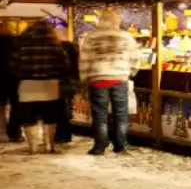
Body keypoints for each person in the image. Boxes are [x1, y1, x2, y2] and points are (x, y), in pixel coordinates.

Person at [79, 9, 140, 155]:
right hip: (119, 78)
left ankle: (100, 145)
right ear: (117, 21)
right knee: (121, 113)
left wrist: (84, 77)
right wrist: (131, 71)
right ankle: (121, 144)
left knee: (100, 114)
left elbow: (84, 59)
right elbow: (136, 56)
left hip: (98, 78)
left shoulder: (91, 37)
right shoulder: (126, 36)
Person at [11, 19, 71, 154]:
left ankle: (33, 147)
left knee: (28, 117)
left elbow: (14, 65)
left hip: (27, 84)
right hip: (50, 85)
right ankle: (49, 145)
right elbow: (65, 64)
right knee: (50, 116)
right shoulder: (56, 46)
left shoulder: (22, 46)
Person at [55, 25, 79, 144]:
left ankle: (61, 134)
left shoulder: (56, 48)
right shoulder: (72, 47)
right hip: (71, 82)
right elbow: (76, 65)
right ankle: (65, 134)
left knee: (60, 108)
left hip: (59, 82)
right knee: (67, 107)